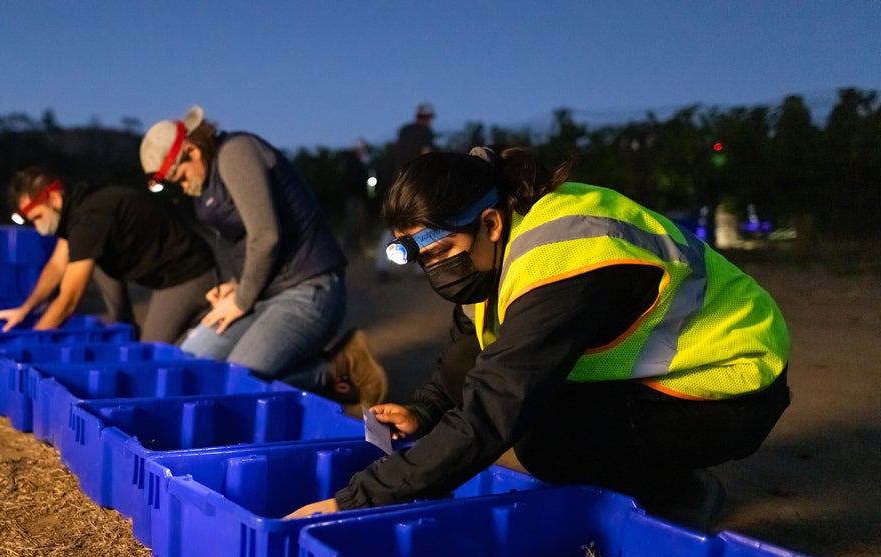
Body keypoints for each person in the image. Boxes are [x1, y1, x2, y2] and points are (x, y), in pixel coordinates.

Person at [287, 146, 792, 532]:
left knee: (544, 436)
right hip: (672, 374)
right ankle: (662, 481)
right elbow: (472, 349)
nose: (434, 272)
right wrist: (425, 410)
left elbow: (493, 409)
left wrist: (356, 500)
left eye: (439, 252)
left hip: (733, 381)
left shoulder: (561, 256)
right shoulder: (494, 249)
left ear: (488, 222)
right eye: (420, 260)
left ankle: (681, 497)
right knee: (537, 410)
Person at [139, 106, 387, 411]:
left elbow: (266, 236)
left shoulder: (236, 152)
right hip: (264, 294)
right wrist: (235, 286)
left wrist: (241, 300)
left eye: (177, 175)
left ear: (190, 150)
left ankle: (336, 366)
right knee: (189, 364)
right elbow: (246, 245)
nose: (180, 184)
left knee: (237, 384)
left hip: (308, 288)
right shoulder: (209, 181)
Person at [0, 167, 217, 344]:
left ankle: (199, 326)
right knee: (89, 259)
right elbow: (56, 266)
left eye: (37, 217)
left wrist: (30, 345)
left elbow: (69, 300)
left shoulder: (91, 218)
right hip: (161, 276)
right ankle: (125, 329)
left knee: (150, 354)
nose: (38, 227)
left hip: (189, 274)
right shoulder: (76, 210)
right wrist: (25, 310)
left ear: (53, 197)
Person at [375, 102, 438, 281]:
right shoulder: (424, 132)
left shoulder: (404, 131)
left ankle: (381, 265)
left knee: (394, 224)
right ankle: (422, 268)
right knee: (423, 222)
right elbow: (426, 155)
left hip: (398, 183)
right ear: (427, 118)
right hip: (415, 182)